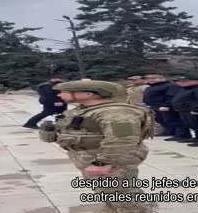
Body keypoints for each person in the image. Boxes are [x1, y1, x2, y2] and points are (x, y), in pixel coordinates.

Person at [41, 80, 156, 213]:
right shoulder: (88, 110)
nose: (60, 95)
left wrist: (102, 163)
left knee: (123, 194)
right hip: (92, 157)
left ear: (89, 94)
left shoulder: (116, 113)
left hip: (111, 160)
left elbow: (122, 141)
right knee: (107, 190)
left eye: (64, 92)